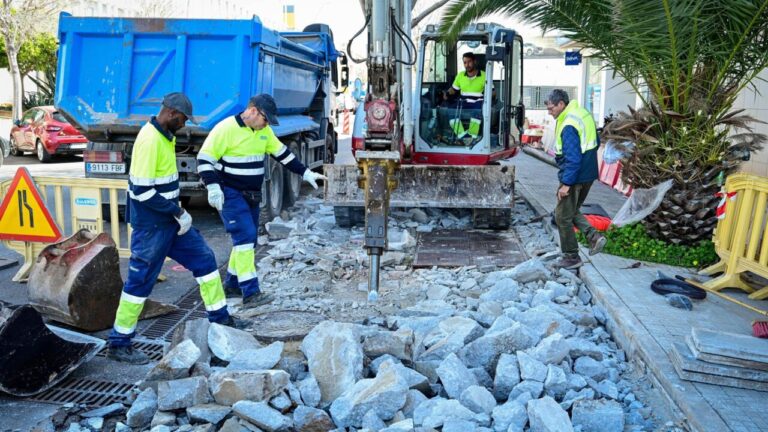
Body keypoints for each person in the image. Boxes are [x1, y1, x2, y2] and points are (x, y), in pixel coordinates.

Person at [108, 92, 234, 364]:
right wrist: (177, 211)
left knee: (205, 260)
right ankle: (119, 342)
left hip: (169, 222)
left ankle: (221, 320)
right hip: (152, 225)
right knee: (140, 281)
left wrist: (177, 213)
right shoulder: (150, 140)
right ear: (172, 114)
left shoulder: (165, 136)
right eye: (184, 120)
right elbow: (141, 192)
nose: (185, 125)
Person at [197, 94, 327, 307]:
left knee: (246, 241)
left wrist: (305, 173)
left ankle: (231, 284)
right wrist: (213, 187)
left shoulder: (263, 131)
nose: (266, 125)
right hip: (230, 193)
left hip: (251, 195)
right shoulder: (225, 129)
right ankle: (251, 292)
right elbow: (204, 160)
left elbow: (283, 154)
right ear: (253, 111)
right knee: (245, 238)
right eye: (265, 119)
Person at [545, 89, 607, 269]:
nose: (549, 112)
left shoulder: (569, 124)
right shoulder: (581, 113)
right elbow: (594, 141)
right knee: (571, 210)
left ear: (561, 104)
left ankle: (571, 256)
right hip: (588, 173)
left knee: (562, 216)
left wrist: (566, 184)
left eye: (551, 108)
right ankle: (594, 237)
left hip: (575, 176)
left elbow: (573, 158)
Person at [443, 52, 486, 139]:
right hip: (463, 101)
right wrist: (446, 93)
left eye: (469, 62)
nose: (467, 65)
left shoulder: (484, 75)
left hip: (478, 102)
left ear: (475, 62)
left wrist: (489, 97)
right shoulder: (460, 75)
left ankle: (472, 136)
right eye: (465, 62)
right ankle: (462, 135)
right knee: (450, 110)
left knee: (477, 111)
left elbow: (493, 92)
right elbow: (453, 89)